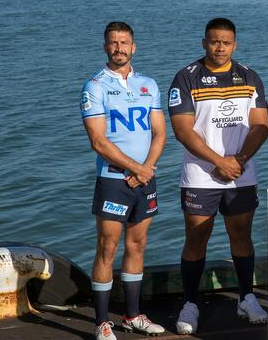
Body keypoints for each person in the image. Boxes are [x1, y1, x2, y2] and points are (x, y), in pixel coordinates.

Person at [168, 18, 268, 335]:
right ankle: (190, 303)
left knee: (241, 236)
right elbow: (183, 130)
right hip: (201, 175)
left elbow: (261, 126)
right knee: (197, 239)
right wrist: (217, 161)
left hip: (241, 172)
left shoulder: (249, 76)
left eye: (226, 42)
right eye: (214, 41)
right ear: (204, 43)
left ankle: (246, 297)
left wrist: (236, 160)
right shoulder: (186, 77)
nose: (220, 47)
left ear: (234, 44)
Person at [80, 21, 166, 340]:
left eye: (124, 42)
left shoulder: (149, 84)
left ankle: (132, 315)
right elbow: (98, 141)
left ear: (134, 47)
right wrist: (135, 169)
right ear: (106, 47)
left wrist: (146, 168)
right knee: (107, 247)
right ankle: (101, 321)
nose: (119, 48)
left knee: (137, 245)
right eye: (113, 42)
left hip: (145, 179)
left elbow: (159, 133)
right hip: (113, 180)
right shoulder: (95, 86)